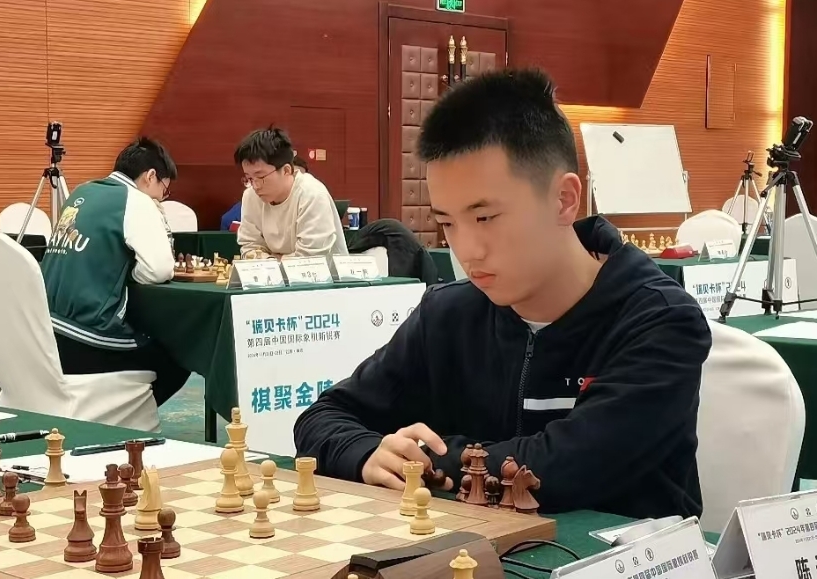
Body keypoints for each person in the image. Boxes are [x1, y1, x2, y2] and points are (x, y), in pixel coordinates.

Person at [293, 68, 711, 519]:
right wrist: (368, 452)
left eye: (485, 218)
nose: (467, 249)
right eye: (447, 222)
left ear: (564, 200)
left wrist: (427, 460)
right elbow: (321, 418)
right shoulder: (448, 314)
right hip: (469, 549)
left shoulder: (661, 320)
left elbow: (563, 468)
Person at [42, 137, 191, 406]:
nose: (161, 198)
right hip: (88, 339)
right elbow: (160, 270)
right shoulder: (136, 200)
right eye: (164, 190)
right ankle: (126, 415)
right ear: (151, 176)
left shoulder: (81, 192)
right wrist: (130, 274)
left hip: (46, 334)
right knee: (181, 356)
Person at [235, 128, 348, 259]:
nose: (255, 186)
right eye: (249, 178)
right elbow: (250, 247)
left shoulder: (312, 195)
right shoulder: (250, 196)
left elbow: (309, 259)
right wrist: (275, 260)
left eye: (260, 177)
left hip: (326, 272)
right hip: (272, 272)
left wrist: (271, 259)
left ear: (286, 170)